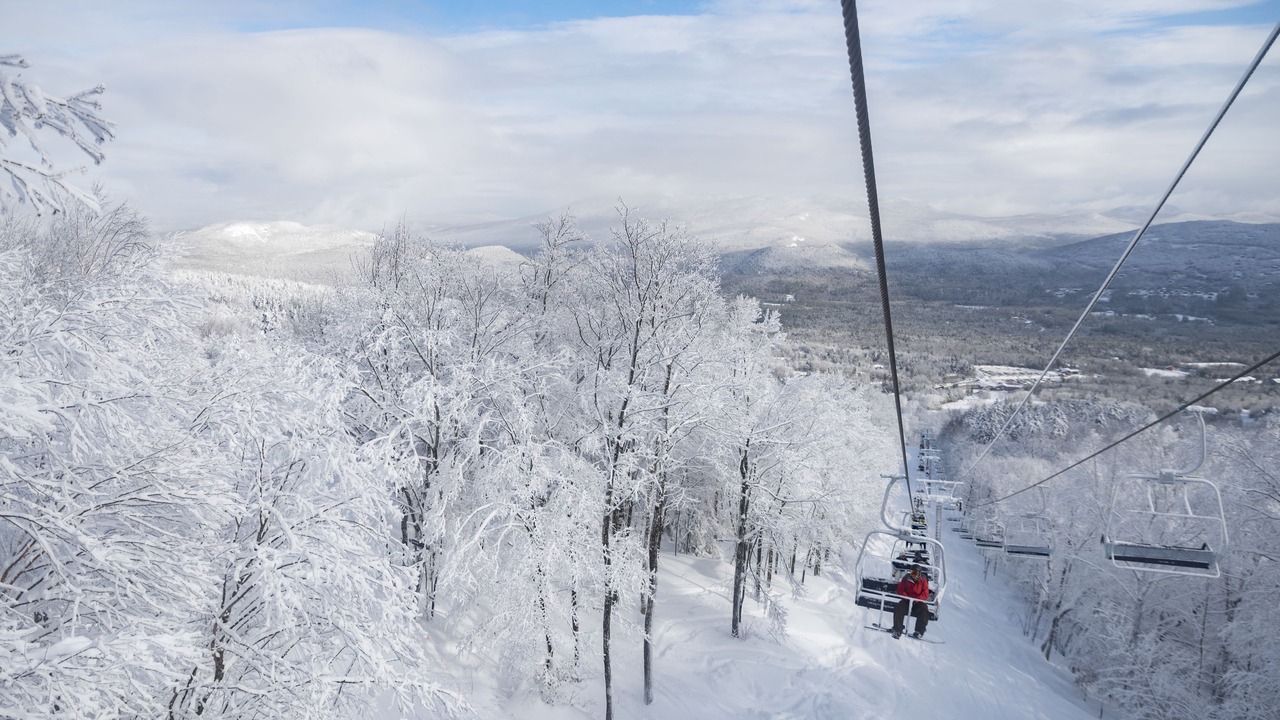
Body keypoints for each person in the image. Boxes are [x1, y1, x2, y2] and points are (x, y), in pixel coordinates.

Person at [890, 564, 930, 639]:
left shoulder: (923, 580)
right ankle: (897, 630)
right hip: (907, 600)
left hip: (917, 602)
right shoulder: (906, 578)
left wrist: (917, 599)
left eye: (916, 573)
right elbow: (900, 589)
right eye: (912, 572)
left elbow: (925, 593)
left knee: (924, 609)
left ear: (920, 573)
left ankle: (919, 632)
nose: (914, 575)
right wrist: (907, 597)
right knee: (899, 607)